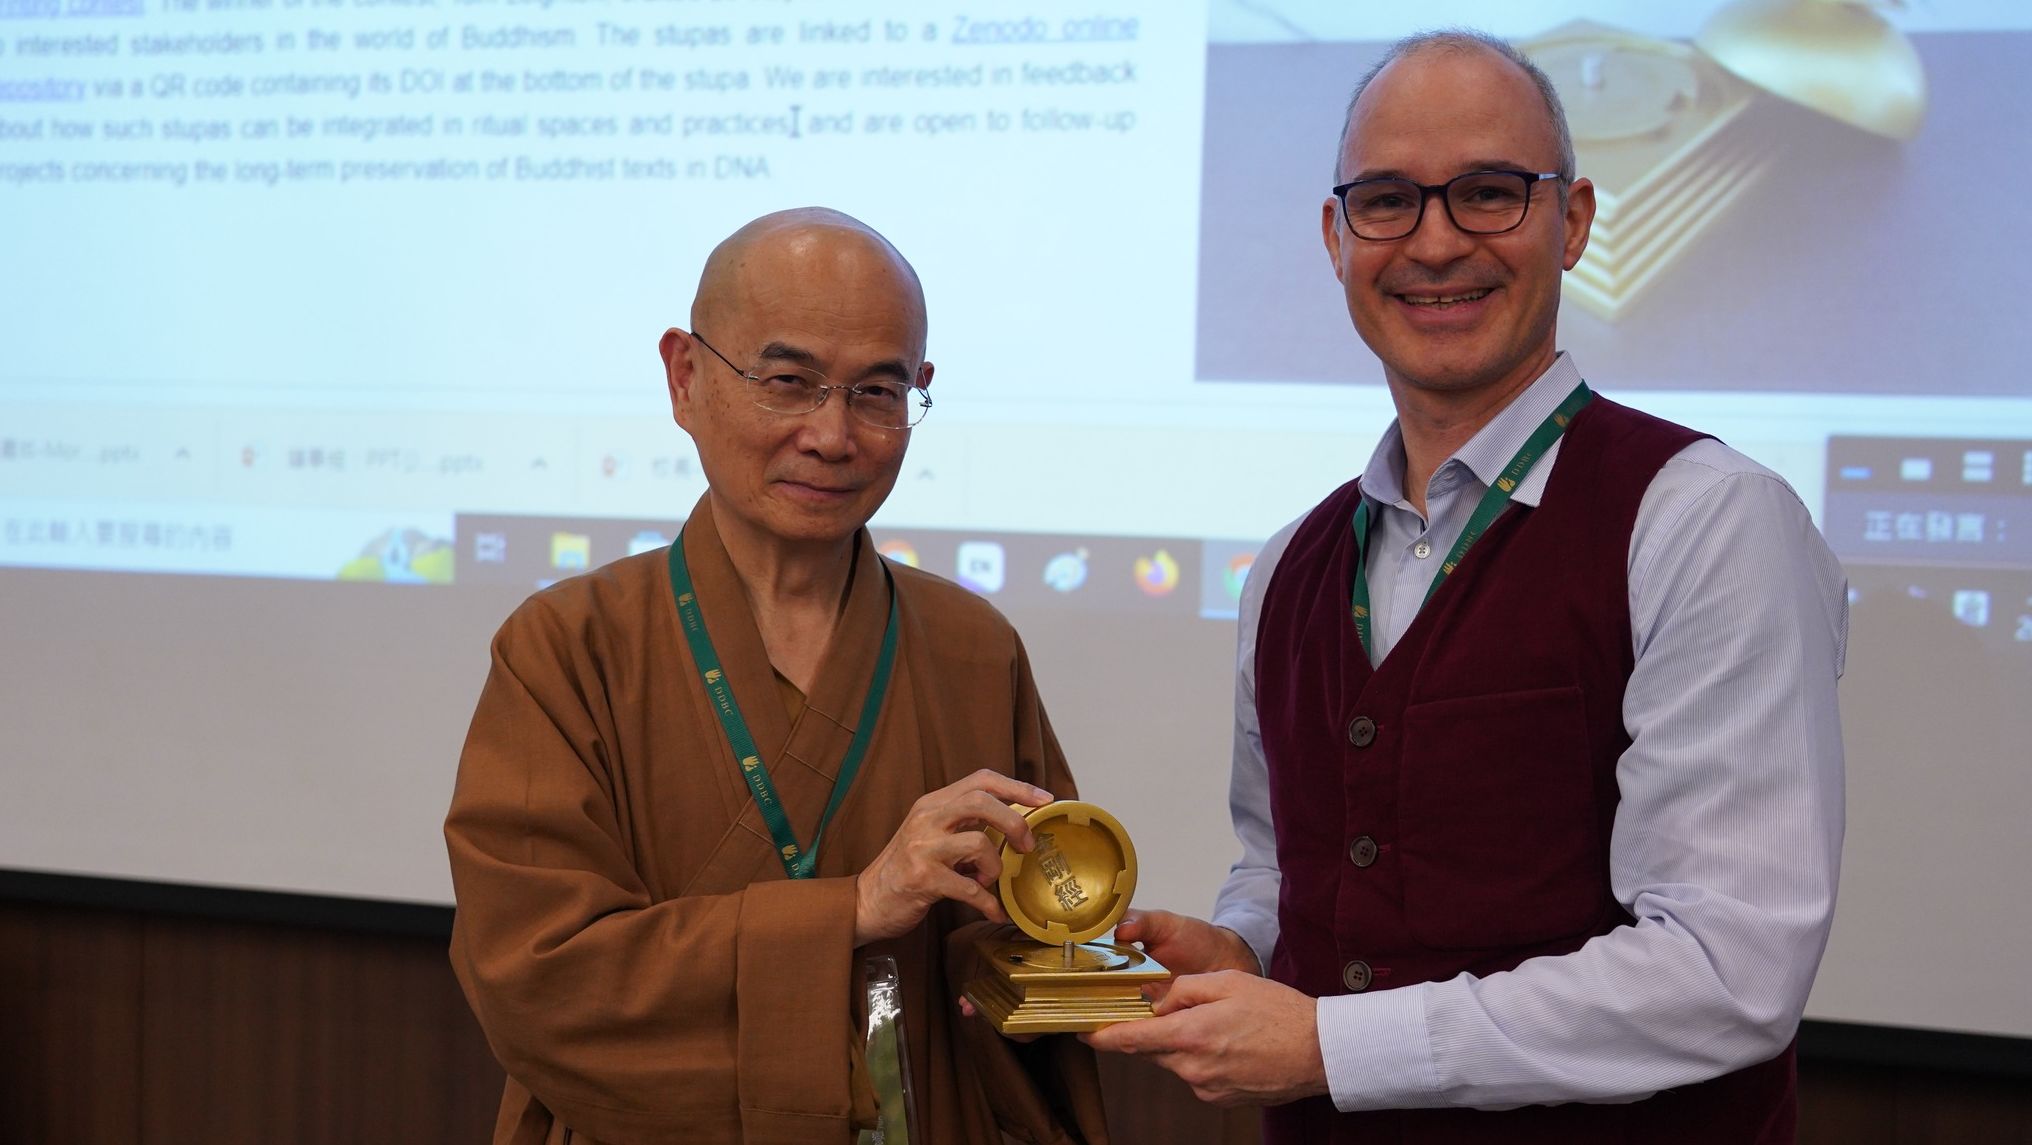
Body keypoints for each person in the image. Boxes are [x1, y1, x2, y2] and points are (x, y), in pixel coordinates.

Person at [1085, 30, 1846, 1143]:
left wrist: (1328, 1044)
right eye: (1388, 200)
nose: (1435, 243)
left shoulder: (1707, 519)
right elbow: (1274, 858)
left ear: (1573, 220)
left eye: (1488, 193)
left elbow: (1727, 967)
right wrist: (1243, 945)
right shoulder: (1291, 565)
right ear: (1336, 236)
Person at [446, 208, 1108, 1144]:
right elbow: (536, 977)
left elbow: (1024, 960)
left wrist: (1076, 952)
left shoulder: (972, 646)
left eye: (877, 391)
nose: (833, 435)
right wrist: (855, 909)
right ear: (685, 378)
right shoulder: (567, 647)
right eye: (788, 382)